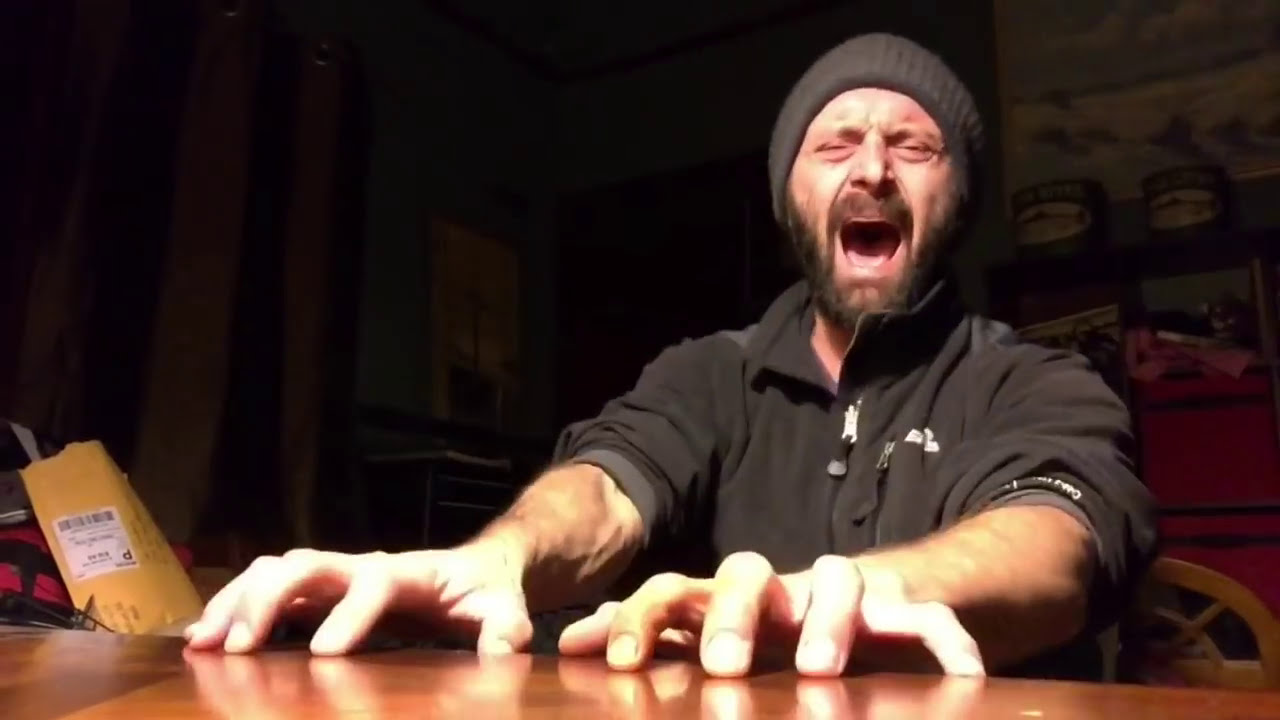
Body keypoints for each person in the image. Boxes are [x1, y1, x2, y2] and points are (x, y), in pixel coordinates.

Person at [185, 32, 1157, 680]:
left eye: (913, 146)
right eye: (835, 146)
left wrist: (858, 592)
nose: (872, 169)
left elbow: (1054, 541)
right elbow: (608, 487)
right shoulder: (706, 373)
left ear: (956, 197)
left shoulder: (1036, 379)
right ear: (788, 198)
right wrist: (495, 559)